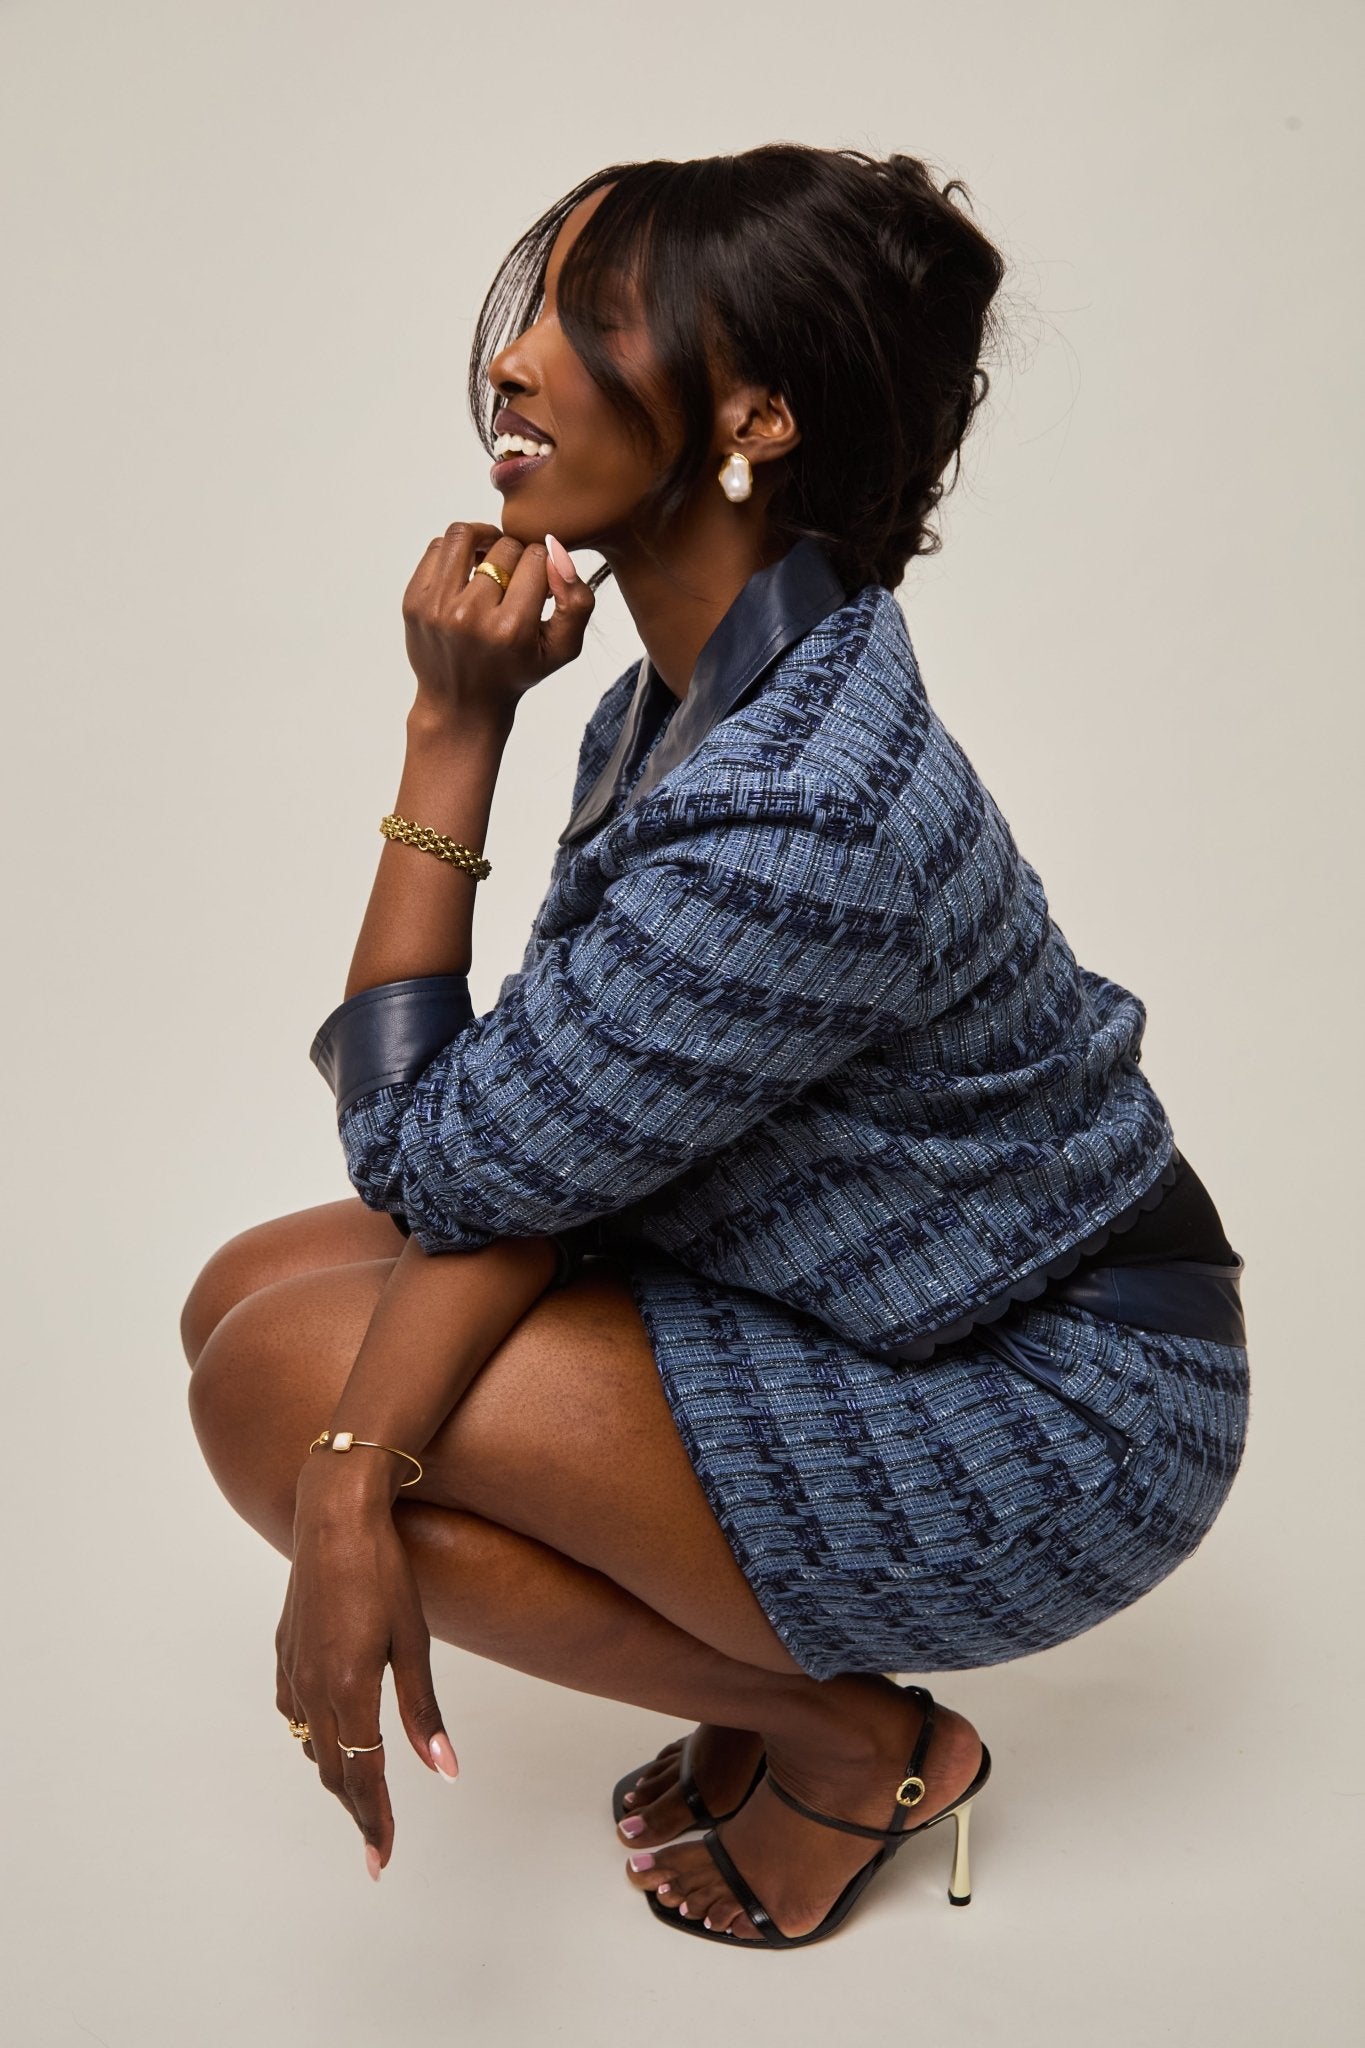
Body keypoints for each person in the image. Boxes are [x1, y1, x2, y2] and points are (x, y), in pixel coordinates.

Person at [181, 146, 1251, 1950]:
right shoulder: (695, 695)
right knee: (245, 1303)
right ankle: (782, 1674)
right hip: (891, 1293)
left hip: (1063, 1407)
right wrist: (360, 1460)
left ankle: (852, 1744)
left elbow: (433, 1159)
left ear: (756, 416)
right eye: (531, 312)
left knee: (273, 1395)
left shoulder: (799, 811)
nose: (511, 361)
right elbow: (528, 1142)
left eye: (588, 319)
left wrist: (449, 733)